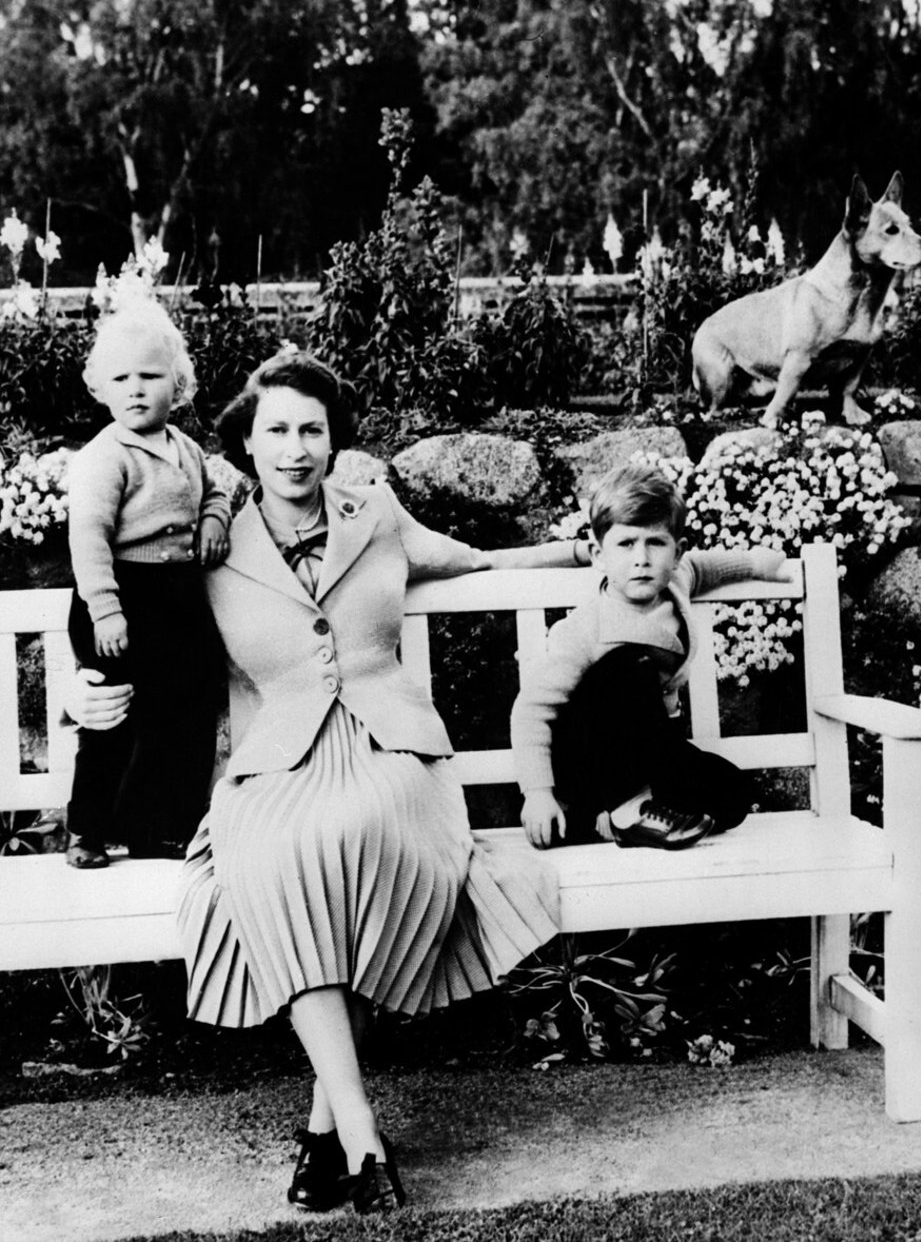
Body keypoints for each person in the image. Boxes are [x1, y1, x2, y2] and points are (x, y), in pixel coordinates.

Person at [69, 349, 587, 1215]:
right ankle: (356, 1135)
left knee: (369, 841)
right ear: (247, 440)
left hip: (390, 750)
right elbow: (122, 596)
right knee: (287, 858)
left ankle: (332, 1130)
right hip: (276, 758)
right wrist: (90, 675)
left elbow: (461, 558)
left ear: (335, 439)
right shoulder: (210, 535)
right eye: (277, 430)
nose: (296, 448)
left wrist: (565, 552)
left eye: (312, 429)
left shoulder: (374, 512)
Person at [511, 462, 787, 851]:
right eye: (625, 544)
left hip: (649, 748)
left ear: (676, 552)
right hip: (589, 753)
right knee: (629, 666)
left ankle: (602, 819)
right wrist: (538, 793)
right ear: (598, 555)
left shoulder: (675, 581)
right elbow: (531, 710)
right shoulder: (587, 627)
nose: (641, 558)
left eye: (655, 543)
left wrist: (758, 563)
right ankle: (625, 810)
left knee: (732, 794)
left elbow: (706, 567)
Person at [64, 299, 231, 868]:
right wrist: (107, 611)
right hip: (118, 597)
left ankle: (164, 827)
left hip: (177, 598)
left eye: (151, 376)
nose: (136, 389)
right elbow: (87, 535)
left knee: (185, 713)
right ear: (101, 389)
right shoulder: (104, 457)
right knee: (114, 713)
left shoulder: (185, 448)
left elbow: (215, 491)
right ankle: (86, 828)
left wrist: (213, 519)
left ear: (177, 384)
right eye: (121, 378)